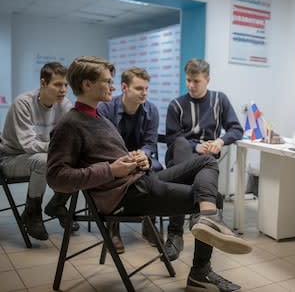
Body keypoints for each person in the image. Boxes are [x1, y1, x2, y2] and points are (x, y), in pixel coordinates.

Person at [46, 56, 251, 292]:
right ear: (86, 85)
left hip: (139, 180)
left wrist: (140, 160)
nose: (112, 87)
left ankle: (207, 219)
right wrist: (111, 170)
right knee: (212, 199)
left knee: (206, 162)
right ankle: (200, 271)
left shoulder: (97, 117)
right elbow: (56, 177)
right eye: (107, 82)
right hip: (127, 194)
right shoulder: (70, 124)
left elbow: (115, 155)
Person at [164, 58, 243, 261]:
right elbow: (173, 139)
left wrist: (220, 141)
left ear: (207, 79)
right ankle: (179, 230)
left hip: (207, 158)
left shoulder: (220, 100)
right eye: (188, 80)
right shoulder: (176, 105)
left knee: (205, 180)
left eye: (196, 81)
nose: (191, 85)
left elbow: (236, 129)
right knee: (186, 158)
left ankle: (190, 227)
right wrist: (196, 146)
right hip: (181, 158)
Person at [0, 62, 80, 241]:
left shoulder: (64, 104)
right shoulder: (23, 103)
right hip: (11, 158)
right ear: (43, 83)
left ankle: (57, 205)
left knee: (78, 160)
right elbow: (28, 144)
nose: (63, 89)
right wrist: (60, 149)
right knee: (43, 161)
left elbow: (74, 131)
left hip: (42, 155)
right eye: (58, 84)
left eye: (66, 85)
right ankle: (32, 212)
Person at [97, 67, 161, 254]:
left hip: (140, 158)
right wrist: (126, 159)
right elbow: (103, 143)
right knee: (115, 172)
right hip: (115, 158)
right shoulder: (106, 108)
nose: (145, 93)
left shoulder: (152, 110)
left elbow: (150, 143)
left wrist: (143, 154)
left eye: (146, 89)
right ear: (124, 87)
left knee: (156, 169)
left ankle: (149, 224)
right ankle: (113, 228)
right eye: (139, 88)